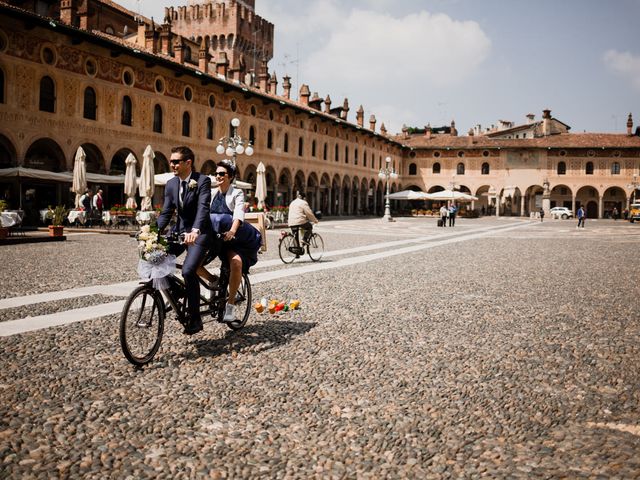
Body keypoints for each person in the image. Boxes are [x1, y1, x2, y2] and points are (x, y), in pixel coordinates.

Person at [156, 146, 213, 335]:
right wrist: (151, 231)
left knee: (188, 271)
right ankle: (179, 292)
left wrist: (195, 230)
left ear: (188, 163)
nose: (171, 164)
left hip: (201, 233)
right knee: (155, 259)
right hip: (179, 232)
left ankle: (195, 319)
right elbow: (166, 212)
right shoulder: (171, 183)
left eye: (175, 161)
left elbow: (203, 208)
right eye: (171, 161)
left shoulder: (202, 181)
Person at [209, 160, 262, 323]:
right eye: (216, 173)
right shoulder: (211, 193)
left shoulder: (236, 193)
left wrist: (232, 230)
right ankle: (213, 281)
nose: (218, 176)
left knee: (236, 263)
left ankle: (230, 306)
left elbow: (239, 212)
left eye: (222, 174)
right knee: (193, 262)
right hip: (216, 237)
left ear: (230, 177)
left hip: (235, 238)